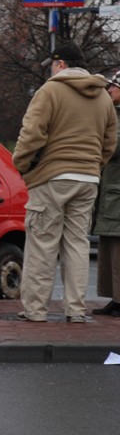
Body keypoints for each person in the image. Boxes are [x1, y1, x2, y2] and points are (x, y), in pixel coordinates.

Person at [12, 42, 118, 323]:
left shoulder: (50, 90)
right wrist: (94, 166)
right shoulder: (103, 96)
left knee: (42, 244)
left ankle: (35, 310)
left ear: (60, 64)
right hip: (88, 179)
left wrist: (21, 165)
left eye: (52, 65)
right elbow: (110, 142)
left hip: (51, 177)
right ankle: (76, 310)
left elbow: (32, 133)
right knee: (77, 244)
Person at [92, 71, 120, 318]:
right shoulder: (114, 114)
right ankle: (115, 299)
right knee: (109, 247)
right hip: (111, 191)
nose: (109, 90)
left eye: (113, 86)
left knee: (118, 248)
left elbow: (114, 147)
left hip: (117, 194)